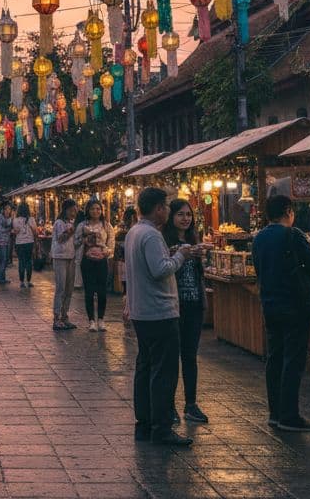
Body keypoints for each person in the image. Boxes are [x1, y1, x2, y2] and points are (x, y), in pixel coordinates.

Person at [126, 187, 194, 446]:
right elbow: (160, 270)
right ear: (157, 209)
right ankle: (162, 428)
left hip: (142, 311)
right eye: (166, 206)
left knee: (145, 368)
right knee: (163, 372)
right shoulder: (151, 235)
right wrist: (180, 255)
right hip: (159, 312)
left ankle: (144, 422)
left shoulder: (135, 232)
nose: (168, 210)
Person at [252, 194, 310, 433]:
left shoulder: (259, 238)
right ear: (288, 211)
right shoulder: (293, 235)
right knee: (293, 360)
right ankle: (289, 415)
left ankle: (275, 413)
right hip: (294, 305)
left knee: (275, 358)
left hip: (270, 305)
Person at [163, 198, 209, 424]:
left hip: (194, 304)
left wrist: (201, 257)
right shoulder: (165, 241)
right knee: (172, 357)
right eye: (180, 214)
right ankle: (169, 405)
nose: (185, 218)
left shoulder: (194, 240)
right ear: (171, 217)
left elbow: (199, 274)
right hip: (174, 306)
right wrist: (180, 254)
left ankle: (191, 404)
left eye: (188, 214)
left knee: (190, 356)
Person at [78, 199, 113, 332]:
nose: (95, 211)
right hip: (87, 261)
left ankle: (101, 319)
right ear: (88, 210)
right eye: (93, 208)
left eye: (98, 209)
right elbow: (76, 242)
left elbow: (111, 242)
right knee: (89, 291)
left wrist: (106, 252)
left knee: (102, 291)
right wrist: (84, 240)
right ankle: (91, 320)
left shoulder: (106, 225)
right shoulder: (82, 225)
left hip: (101, 261)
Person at [50, 199, 80, 330]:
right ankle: (56, 318)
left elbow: (75, 243)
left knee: (69, 289)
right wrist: (73, 230)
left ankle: (65, 316)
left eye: (76, 210)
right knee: (61, 288)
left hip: (71, 257)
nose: (74, 213)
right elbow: (61, 238)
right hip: (60, 257)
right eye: (72, 210)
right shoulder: (59, 223)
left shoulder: (73, 223)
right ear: (65, 210)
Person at [13, 202, 38, 288]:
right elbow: (35, 232)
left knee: (21, 262)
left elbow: (15, 232)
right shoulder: (31, 219)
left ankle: (21, 282)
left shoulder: (16, 220)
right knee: (28, 262)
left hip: (19, 243)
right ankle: (28, 281)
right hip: (29, 243)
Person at [0, 204, 15, 284]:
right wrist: (9, 229)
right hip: (0, 241)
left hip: (7, 241)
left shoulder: (10, 218)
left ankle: (1, 277)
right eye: (7, 209)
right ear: (3, 210)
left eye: (9, 209)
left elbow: (12, 227)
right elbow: (0, 229)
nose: (8, 210)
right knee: (3, 259)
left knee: (4, 259)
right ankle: (1, 278)